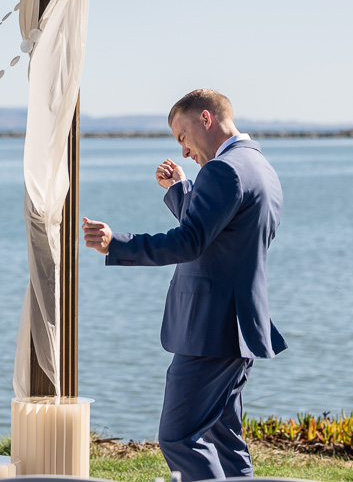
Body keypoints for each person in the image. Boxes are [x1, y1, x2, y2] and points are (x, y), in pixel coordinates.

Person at [82, 89, 286, 482]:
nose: (184, 149)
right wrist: (181, 191)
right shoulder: (260, 168)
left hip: (211, 329)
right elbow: (220, 235)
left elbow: (191, 242)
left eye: (182, 136)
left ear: (205, 119)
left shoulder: (223, 170)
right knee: (225, 441)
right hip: (238, 327)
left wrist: (116, 242)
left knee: (179, 438)